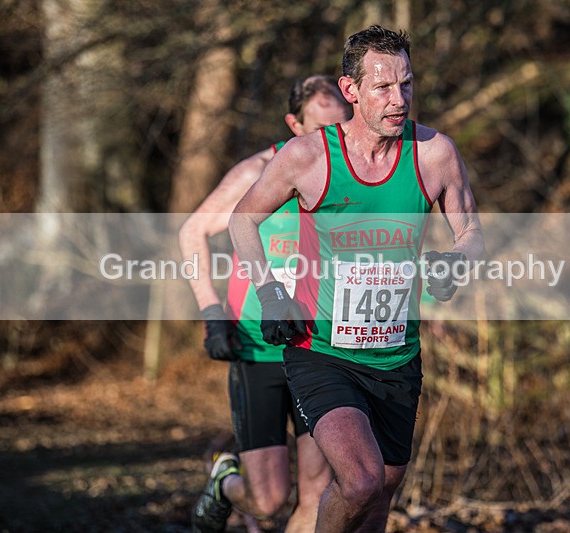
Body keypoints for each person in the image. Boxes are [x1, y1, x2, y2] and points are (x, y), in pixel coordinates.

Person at [228, 25, 484, 532]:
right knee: (361, 480)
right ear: (351, 90)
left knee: (380, 495)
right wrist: (270, 290)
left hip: (397, 356)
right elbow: (243, 219)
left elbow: (471, 229)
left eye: (406, 84)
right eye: (383, 87)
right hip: (321, 350)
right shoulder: (309, 157)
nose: (399, 99)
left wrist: (457, 260)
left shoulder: (434, 154)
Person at [179, 75, 352, 533]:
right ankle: (225, 482)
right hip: (257, 348)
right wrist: (211, 313)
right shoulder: (256, 172)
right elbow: (192, 232)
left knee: (316, 494)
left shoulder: (355, 174)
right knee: (268, 499)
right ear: (294, 124)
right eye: (321, 129)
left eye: (341, 127)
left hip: (319, 351)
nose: (333, 140)